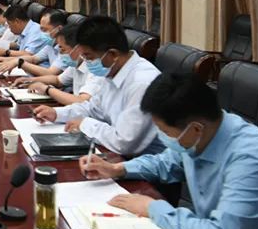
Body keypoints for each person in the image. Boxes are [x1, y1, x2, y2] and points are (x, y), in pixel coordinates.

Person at [80, 73, 258, 229]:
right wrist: (118, 169)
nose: (162, 137)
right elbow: (166, 163)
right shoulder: (202, 133)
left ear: (195, 129)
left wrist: (153, 208)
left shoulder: (251, 160)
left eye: (165, 132)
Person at [34, 16, 164, 156]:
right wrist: (57, 114)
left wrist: (85, 124)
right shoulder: (112, 70)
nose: (86, 62)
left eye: (89, 57)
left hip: (143, 162)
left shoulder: (142, 83)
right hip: (115, 153)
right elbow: (93, 108)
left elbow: (124, 142)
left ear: (113, 54)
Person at [15, 24, 104, 106]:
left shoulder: (96, 70)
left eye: (63, 49)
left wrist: (46, 89)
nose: (60, 53)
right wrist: (29, 80)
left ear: (78, 49)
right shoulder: (76, 63)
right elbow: (58, 80)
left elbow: (82, 101)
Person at [0, 9, 66, 74]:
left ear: (59, 29)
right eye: (41, 29)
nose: (41, 32)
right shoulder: (50, 46)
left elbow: (52, 74)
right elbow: (33, 59)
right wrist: (8, 60)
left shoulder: (67, 49)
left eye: (45, 29)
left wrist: (19, 62)